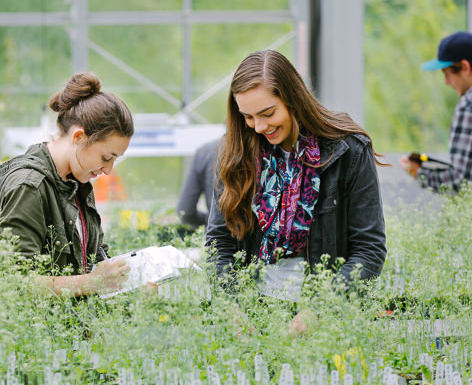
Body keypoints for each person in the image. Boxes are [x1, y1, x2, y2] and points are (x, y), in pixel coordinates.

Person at [205, 50, 387, 307]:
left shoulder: (348, 150)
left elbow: (368, 250)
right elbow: (219, 244)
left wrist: (320, 310)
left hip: (326, 317)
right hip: (254, 312)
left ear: (293, 99)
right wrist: (233, 309)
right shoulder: (236, 154)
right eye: (248, 117)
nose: (258, 126)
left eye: (268, 113)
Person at [0, 72, 133, 297]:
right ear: (78, 138)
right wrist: (91, 282)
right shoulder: (28, 186)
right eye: (107, 157)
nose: (108, 170)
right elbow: (13, 280)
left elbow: (96, 260)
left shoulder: (79, 183)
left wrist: (130, 287)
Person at [399, 31, 472, 192]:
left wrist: (419, 172)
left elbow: (460, 182)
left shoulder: (467, 106)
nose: (446, 82)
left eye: (447, 74)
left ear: (466, 68)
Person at [176, 138, 220, 227]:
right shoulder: (252, 149)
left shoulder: (206, 151)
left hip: (217, 234)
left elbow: (185, 212)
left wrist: (208, 219)